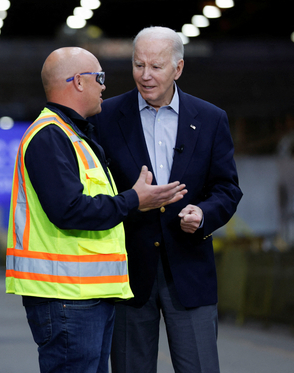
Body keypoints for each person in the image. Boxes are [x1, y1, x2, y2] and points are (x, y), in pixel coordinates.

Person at [5, 47, 187, 373]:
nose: (105, 86)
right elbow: (70, 210)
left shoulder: (75, 136)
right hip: (66, 298)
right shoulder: (50, 137)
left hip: (83, 295)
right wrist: (134, 199)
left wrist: (139, 199)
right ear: (77, 82)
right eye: (99, 78)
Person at [89, 26, 243, 373]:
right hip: (127, 275)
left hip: (190, 271)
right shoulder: (106, 117)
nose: (145, 76)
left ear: (179, 68)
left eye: (156, 67)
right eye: (138, 65)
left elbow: (227, 189)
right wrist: (130, 200)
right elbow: (93, 188)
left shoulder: (210, 118)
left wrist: (202, 215)